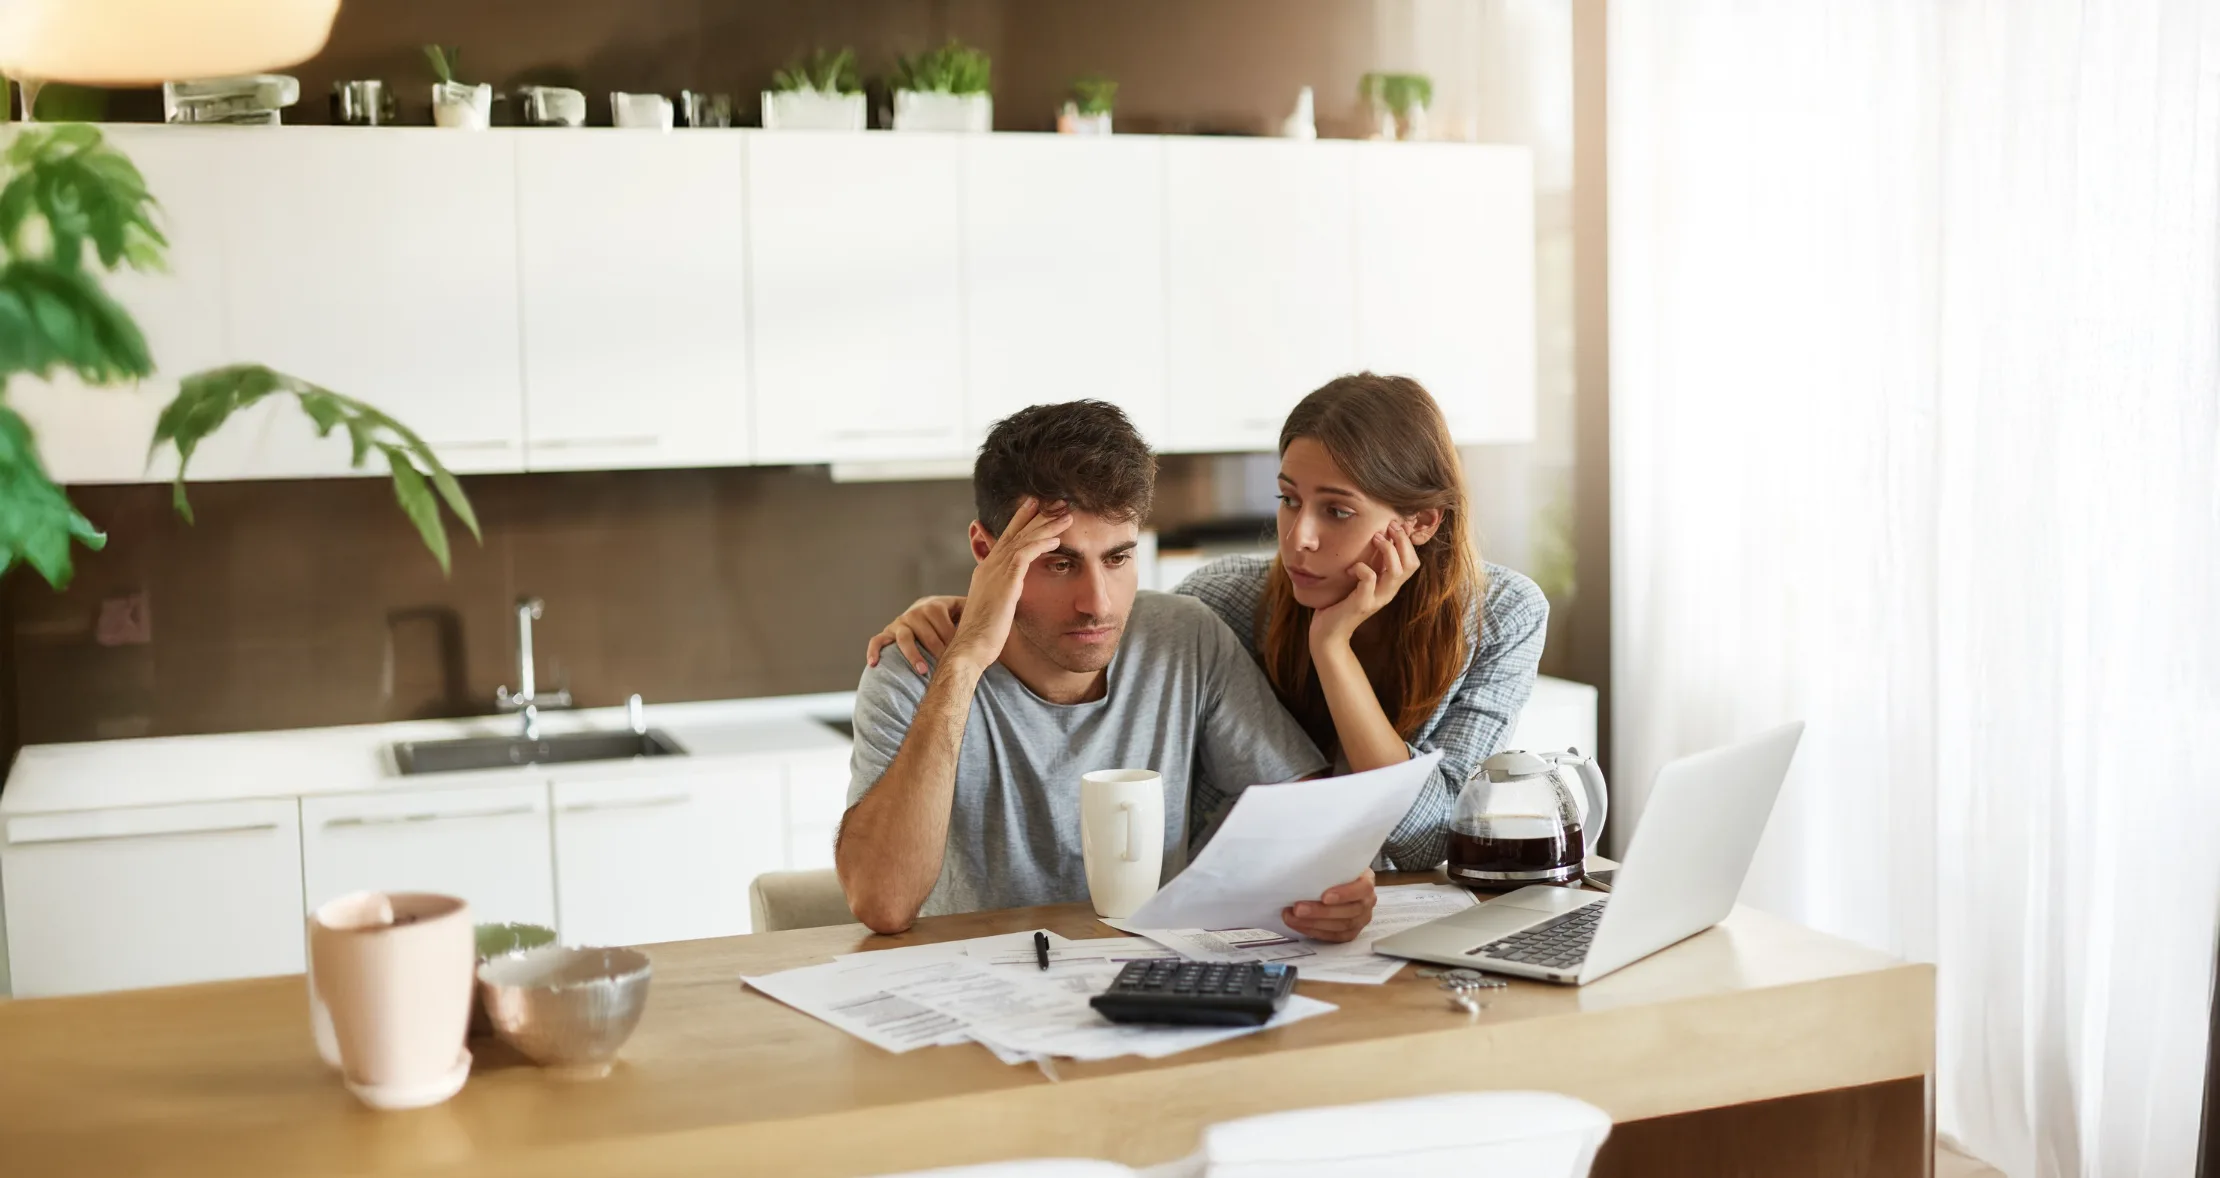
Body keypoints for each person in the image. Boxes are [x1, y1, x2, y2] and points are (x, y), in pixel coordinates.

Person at [867, 374, 1550, 871]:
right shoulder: (1222, 602)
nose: (1299, 538)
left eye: (1336, 512)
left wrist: (1331, 648)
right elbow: (1097, 623)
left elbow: (1427, 837)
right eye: (1287, 501)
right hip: (1249, 913)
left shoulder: (1502, 617)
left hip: (1384, 908)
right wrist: (969, 613)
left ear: (1421, 522)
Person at [836, 400, 1380, 940]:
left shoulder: (1185, 637)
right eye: (1059, 562)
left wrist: (1335, 888)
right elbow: (883, 904)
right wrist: (965, 661)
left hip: (1149, 980)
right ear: (986, 550)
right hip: (975, 989)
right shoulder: (912, 666)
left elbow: (1310, 819)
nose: (1096, 603)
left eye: (1118, 558)